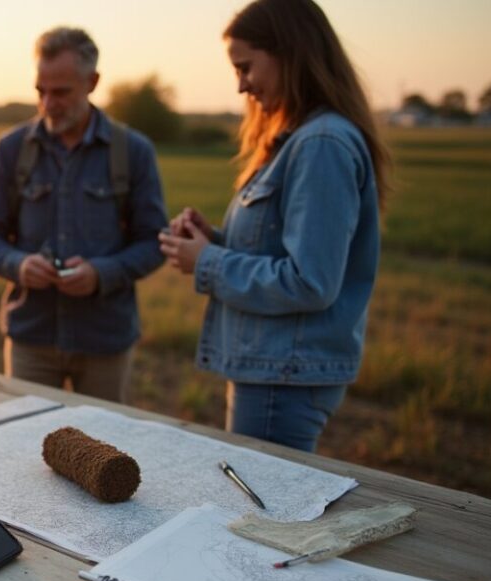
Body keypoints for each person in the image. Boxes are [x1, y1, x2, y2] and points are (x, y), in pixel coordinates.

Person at [158, 0, 389, 452]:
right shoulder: (305, 139)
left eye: (246, 67)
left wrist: (206, 261)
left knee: (261, 515)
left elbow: (310, 281)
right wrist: (217, 240)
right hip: (277, 369)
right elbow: (283, 252)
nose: (241, 85)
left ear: (289, 54)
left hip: (282, 375)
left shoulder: (321, 144)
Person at [0, 27, 168, 404]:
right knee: (24, 445)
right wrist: (19, 264)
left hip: (105, 339)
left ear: (92, 82)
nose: (48, 103)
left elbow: (153, 241)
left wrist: (100, 274)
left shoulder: (134, 151)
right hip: (31, 336)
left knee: (102, 453)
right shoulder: (11, 149)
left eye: (60, 92)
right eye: (40, 91)